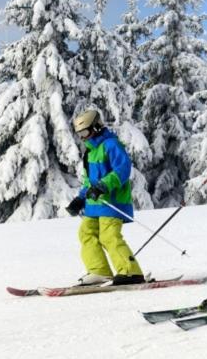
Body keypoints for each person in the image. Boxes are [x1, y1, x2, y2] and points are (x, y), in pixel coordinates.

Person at [65, 109, 146, 286]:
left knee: (109, 236)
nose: (83, 137)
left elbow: (123, 169)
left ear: (96, 127)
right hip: (95, 203)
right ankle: (99, 271)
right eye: (79, 134)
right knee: (86, 232)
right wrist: (80, 198)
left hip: (113, 201)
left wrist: (104, 185)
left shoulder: (111, 145)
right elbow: (89, 180)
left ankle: (131, 273)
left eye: (85, 132)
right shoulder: (90, 152)